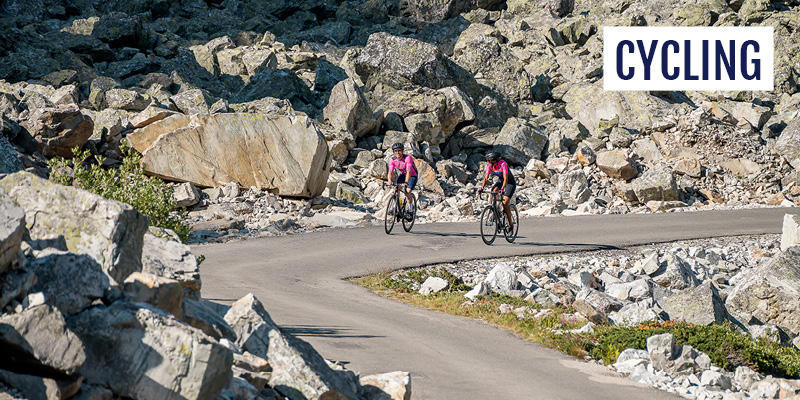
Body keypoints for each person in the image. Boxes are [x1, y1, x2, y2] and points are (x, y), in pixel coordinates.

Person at [478, 151, 516, 233]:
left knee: (505, 203)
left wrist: (502, 189)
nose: (489, 163)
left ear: (496, 160)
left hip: (510, 183)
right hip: (501, 181)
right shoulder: (489, 165)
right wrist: (481, 188)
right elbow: (485, 178)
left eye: (491, 161)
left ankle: (510, 225)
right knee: (493, 191)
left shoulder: (503, 164)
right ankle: (494, 210)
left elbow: (506, 179)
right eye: (488, 161)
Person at [386, 142, 418, 217]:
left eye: (399, 150)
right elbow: (390, 172)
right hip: (403, 174)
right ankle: (397, 206)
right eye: (395, 151)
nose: (397, 152)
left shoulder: (407, 158)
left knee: (407, 192)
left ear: (403, 151)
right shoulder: (392, 159)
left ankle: (410, 210)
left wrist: (406, 182)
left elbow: (409, 172)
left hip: (412, 176)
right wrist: (389, 180)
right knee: (397, 189)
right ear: (393, 152)